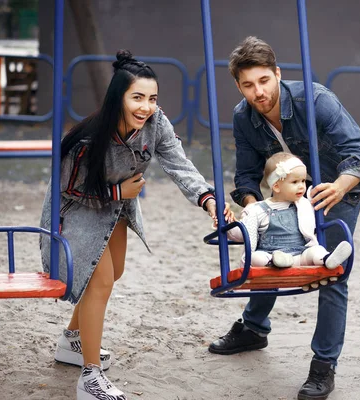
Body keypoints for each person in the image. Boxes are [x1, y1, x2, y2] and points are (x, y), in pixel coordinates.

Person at [39, 50, 233, 400]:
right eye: (137, 98)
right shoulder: (88, 138)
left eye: (152, 98)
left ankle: (71, 341)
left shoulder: (156, 124)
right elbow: (66, 188)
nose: (146, 107)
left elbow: (179, 163)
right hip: (75, 211)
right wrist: (118, 190)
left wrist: (209, 199)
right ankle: (90, 376)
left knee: (113, 274)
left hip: (115, 210)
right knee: (97, 284)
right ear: (119, 98)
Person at [208, 37, 360, 400]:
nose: (259, 92)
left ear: (278, 74)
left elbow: (359, 151)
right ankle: (253, 329)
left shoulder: (314, 100)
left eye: (264, 81)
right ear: (238, 85)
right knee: (270, 251)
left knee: (329, 271)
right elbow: (247, 174)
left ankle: (323, 366)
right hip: (282, 196)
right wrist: (254, 209)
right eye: (248, 85)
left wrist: (340, 187)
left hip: (331, 189)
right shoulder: (243, 116)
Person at [227, 152, 352, 273]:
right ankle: (275, 262)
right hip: (271, 256)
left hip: (300, 256)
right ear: (276, 186)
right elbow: (244, 231)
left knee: (316, 250)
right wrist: (228, 224)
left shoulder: (304, 204)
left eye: (303, 181)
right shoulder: (259, 209)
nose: (302, 186)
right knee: (256, 257)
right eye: (295, 182)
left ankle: (327, 259)